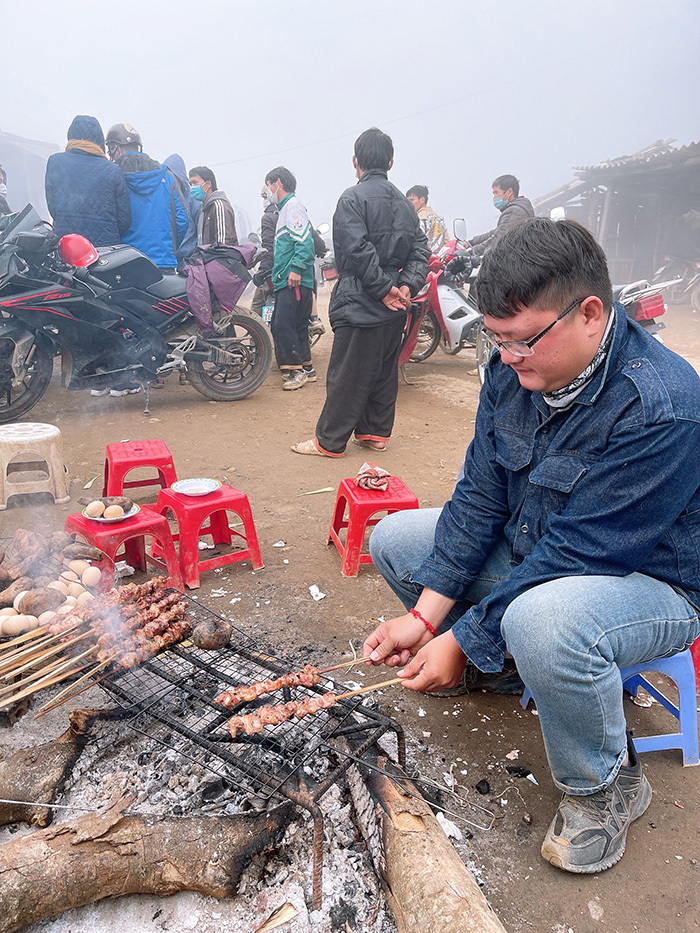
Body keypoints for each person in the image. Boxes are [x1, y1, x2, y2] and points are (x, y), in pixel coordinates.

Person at [362, 217, 700, 875]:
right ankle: (502, 667)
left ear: (591, 313)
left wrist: (461, 638)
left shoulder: (662, 405)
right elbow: (480, 499)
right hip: (544, 550)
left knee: (541, 619)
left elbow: (583, 553)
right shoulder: (508, 375)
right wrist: (425, 618)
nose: (508, 357)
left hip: (650, 583)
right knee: (395, 537)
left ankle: (606, 786)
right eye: (496, 338)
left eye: (523, 341)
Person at [292, 127, 430, 455]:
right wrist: (405, 286)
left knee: (348, 373)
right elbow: (420, 251)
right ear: (391, 162)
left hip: (361, 297)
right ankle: (374, 433)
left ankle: (329, 442)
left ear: (356, 161)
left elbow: (355, 249)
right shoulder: (406, 205)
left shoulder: (351, 199)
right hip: (396, 301)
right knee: (384, 369)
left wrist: (384, 290)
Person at [106, 123, 187, 272]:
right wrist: (167, 248)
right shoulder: (167, 177)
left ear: (116, 148)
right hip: (164, 262)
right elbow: (182, 220)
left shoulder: (113, 176)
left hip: (126, 262)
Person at [263, 166, 316, 390]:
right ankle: (307, 367)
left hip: (293, 279)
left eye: (268, 186)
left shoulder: (292, 207)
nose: (268, 191)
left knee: (281, 324)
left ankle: (295, 370)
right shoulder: (286, 209)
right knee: (297, 324)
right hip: (291, 279)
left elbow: (305, 242)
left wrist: (295, 269)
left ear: (278, 183)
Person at [44, 115, 131, 247]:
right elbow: (124, 220)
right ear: (99, 140)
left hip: (68, 248)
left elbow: (53, 209)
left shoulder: (55, 162)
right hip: (105, 252)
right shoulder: (113, 170)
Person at [468, 174, 534, 261]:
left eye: (496, 193)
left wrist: (471, 252)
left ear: (509, 192)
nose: (494, 197)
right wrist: (471, 242)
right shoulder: (518, 208)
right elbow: (497, 231)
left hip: (517, 262)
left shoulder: (514, 212)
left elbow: (497, 240)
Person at [188, 166, 238, 247]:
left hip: (219, 258)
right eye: (190, 184)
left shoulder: (219, 205)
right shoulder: (204, 209)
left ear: (208, 184)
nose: (192, 187)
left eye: (195, 182)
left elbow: (223, 244)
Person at [251, 185, 278, 318]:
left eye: (264, 196)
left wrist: (262, 271)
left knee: (255, 315)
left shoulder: (268, 217)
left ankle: (257, 339)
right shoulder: (294, 211)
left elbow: (268, 247)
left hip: (271, 273)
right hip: (288, 273)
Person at [406, 185, 447, 253]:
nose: (409, 203)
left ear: (422, 200)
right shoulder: (439, 218)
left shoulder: (418, 219)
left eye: (412, 200)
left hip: (423, 259)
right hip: (440, 260)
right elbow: (447, 243)